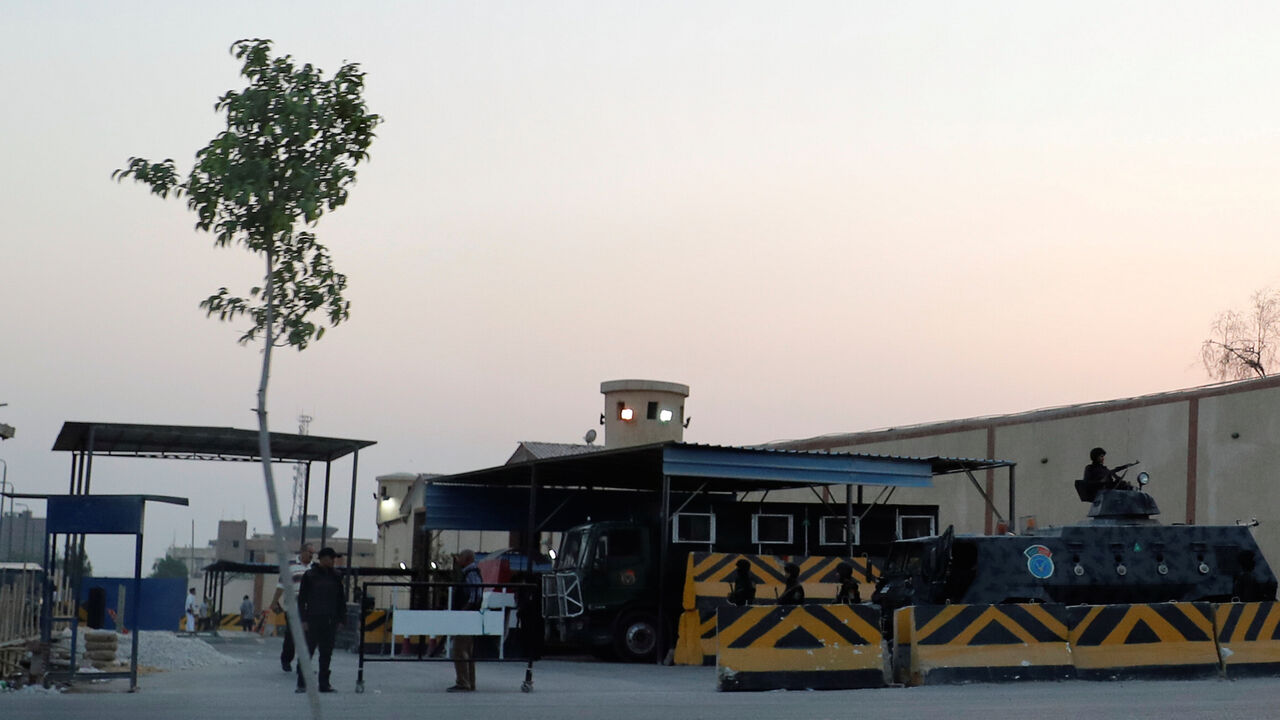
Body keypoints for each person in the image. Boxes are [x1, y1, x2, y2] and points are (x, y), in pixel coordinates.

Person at [296, 547, 346, 693]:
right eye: (331, 558)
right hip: (312, 620)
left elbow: (340, 599)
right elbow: (302, 600)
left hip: (330, 620)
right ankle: (301, 683)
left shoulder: (337, 576)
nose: (333, 561)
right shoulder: (310, 575)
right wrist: (303, 620)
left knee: (326, 653)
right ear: (323, 559)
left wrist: (342, 619)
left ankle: (324, 684)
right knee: (308, 652)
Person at [272, 543, 314, 672]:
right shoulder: (289, 566)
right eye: (309, 552)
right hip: (293, 608)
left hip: (309, 609)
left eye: (313, 553)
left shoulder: (314, 568)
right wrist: (274, 602)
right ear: (302, 552)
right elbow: (281, 586)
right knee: (291, 636)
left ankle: (303, 665)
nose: (311, 555)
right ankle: (286, 660)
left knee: (308, 638)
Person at [448, 549, 484, 693]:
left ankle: (463, 682)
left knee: (460, 649)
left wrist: (464, 611)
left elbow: (474, 595)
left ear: (467, 559)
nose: (458, 560)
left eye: (461, 557)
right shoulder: (471, 573)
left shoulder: (471, 573)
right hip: (470, 616)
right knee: (467, 649)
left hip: (467, 617)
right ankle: (469, 681)